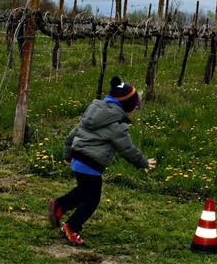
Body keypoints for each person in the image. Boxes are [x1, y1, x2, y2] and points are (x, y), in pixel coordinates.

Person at [48, 76, 156, 246]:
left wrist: (68, 154)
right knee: (92, 198)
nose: (136, 110)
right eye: (135, 107)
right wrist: (143, 162)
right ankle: (72, 226)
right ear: (127, 106)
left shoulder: (94, 112)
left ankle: (59, 206)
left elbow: (73, 133)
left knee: (84, 191)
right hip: (91, 162)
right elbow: (127, 149)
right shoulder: (117, 124)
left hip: (78, 157)